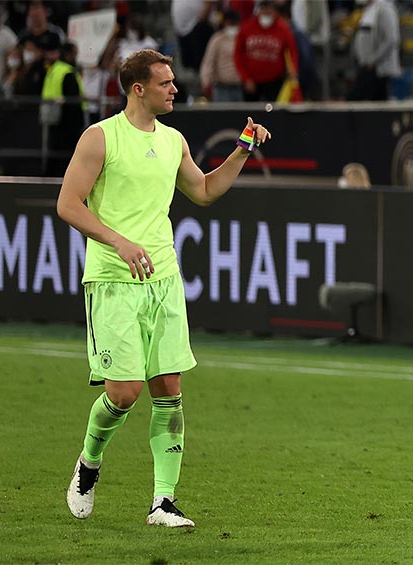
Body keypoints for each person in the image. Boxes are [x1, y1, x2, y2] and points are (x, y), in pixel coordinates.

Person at [56, 49, 271, 528]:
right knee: (125, 393)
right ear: (138, 89)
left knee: (169, 391)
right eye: (165, 83)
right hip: (113, 280)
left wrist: (241, 149)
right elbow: (68, 205)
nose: (175, 89)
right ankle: (89, 464)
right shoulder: (100, 138)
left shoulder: (173, 140)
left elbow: (205, 192)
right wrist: (120, 242)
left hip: (164, 279)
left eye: (173, 81)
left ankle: (163, 502)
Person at [234, 0, 299, 102]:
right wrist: (246, 78)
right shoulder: (246, 27)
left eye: (269, 9)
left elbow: (292, 51)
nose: (266, 12)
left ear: (275, 11)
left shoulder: (283, 29)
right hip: (251, 82)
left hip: (274, 81)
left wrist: (293, 69)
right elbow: (238, 55)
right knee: (250, 114)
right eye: (263, 9)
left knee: (273, 114)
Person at [41, 42, 85, 176]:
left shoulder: (55, 69)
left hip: (52, 118)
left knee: (54, 155)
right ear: (69, 54)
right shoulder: (68, 72)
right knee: (65, 157)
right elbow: (74, 99)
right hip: (67, 123)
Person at [347, 0, 401, 101]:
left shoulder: (385, 9)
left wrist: (372, 60)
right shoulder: (369, 10)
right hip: (367, 66)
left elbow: (391, 39)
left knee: (354, 99)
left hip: (377, 69)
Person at [200, 10, 244, 102]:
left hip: (239, 87)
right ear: (225, 23)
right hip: (222, 87)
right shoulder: (217, 39)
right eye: (230, 23)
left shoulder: (242, 38)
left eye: (234, 23)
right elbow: (209, 61)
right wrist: (205, 81)